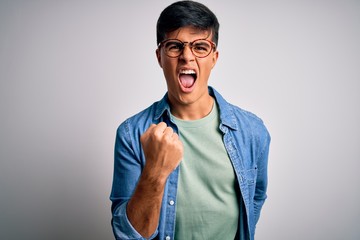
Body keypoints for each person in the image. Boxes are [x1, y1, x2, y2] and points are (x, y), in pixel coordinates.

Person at [110, 1, 270, 239]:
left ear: (214, 57)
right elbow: (128, 235)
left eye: (200, 47)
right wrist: (155, 170)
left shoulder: (252, 131)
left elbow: (255, 196)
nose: (187, 57)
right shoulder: (132, 133)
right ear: (160, 57)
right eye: (174, 46)